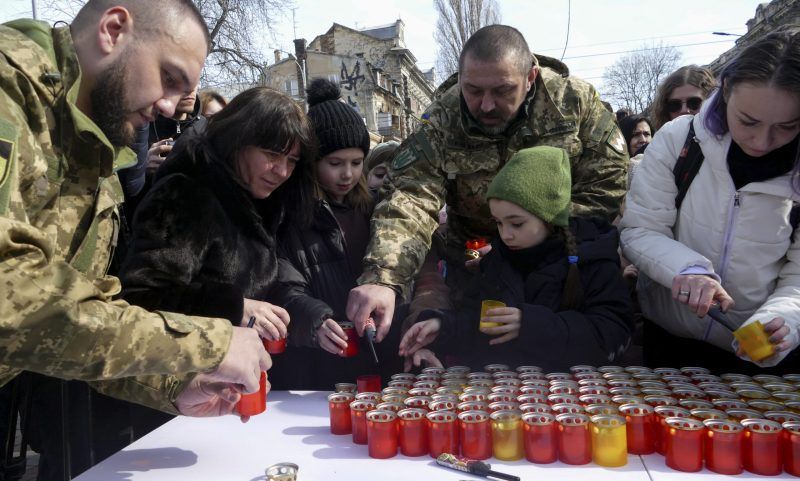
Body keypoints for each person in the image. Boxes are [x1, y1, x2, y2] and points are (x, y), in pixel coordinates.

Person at [0, 0, 270, 421]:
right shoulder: (8, 91)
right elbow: (8, 295)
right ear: (112, 29)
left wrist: (176, 384)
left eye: (184, 91)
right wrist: (207, 343)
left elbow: (83, 320)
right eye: (169, 78)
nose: (169, 106)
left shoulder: (98, 155)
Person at [347, 24, 628, 344]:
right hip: (477, 279)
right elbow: (409, 197)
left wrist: (535, 235)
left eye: (502, 90)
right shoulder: (443, 117)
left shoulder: (575, 102)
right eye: (474, 91)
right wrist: (384, 278)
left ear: (530, 77)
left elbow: (608, 183)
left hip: (566, 277)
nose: (487, 105)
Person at [118, 86, 314, 426]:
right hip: (175, 398)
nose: (282, 171)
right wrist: (235, 307)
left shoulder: (258, 200)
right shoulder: (187, 193)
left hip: (229, 390)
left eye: (292, 160)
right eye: (272, 154)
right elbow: (143, 296)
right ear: (238, 141)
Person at [620, 30, 800, 372]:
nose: (761, 142)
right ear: (726, 90)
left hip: (756, 355)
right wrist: (686, 270)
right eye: (748, 121)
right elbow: (640, 230)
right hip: (670, 341)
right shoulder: (680, 140)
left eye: (787, 126)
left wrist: (784, 321)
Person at [399, 146, 632, 371]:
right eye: (499, 223)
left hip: (573, 396)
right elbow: (478, 322)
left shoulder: (593, 259)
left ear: (549, 217)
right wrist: (443, 326)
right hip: (505, 395)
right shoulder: (497, 261)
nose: (505, 234)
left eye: (517, 223)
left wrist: (531, 325)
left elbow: (611, 335)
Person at [272, 78, 394, 389]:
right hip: (316, 365)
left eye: (356, 162)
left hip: (374, 356)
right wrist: (313, 321)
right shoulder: (291, 215)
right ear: (311, 163)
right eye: (335, 163)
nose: (348, 174)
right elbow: (282, 286)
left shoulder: (374, 209)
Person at [651, 65, 716, 131]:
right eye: (675, 104)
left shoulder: (724, 139)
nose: (684, 110)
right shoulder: (660, 140)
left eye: (694, 103)